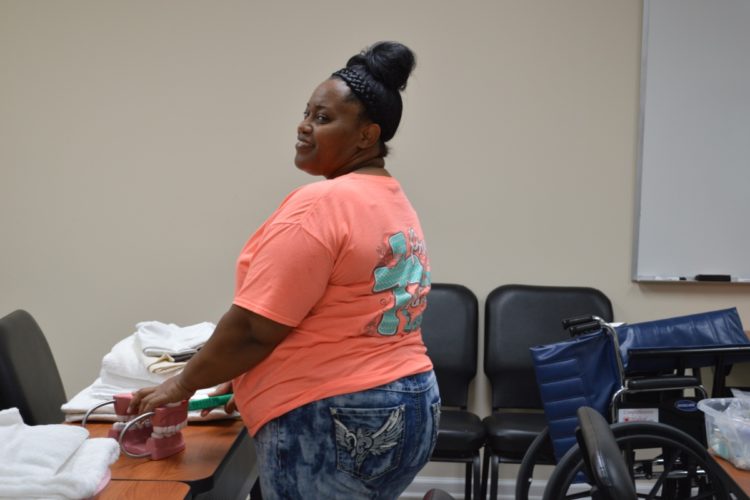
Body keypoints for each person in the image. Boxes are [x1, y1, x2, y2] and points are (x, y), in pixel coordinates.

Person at [129, 41, 439, 499]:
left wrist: (181, 384)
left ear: (366, 136)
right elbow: (341, 313)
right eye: (308, 113)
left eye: (323, 118)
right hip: (413, 403)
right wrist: (251, 374)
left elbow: (255, 328)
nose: (304, 126)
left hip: (337, 414)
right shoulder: (392, 199)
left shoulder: (320, 205)